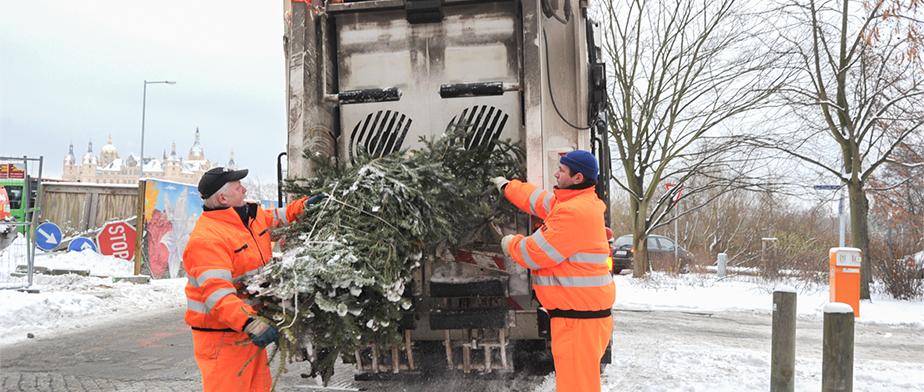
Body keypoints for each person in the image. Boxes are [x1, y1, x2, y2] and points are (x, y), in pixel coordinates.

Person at [183, 166, 316, 392]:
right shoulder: (208, 239)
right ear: (223, 198)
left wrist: (304, 206)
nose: (244, 190)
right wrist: (250, 322)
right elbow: (218, 294)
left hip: (248, 333)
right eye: (238, 187)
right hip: (223, 340)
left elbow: (277, 217)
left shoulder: (248, 218)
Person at [491, 150, 615, 392]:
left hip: (579, 322)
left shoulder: (574, 213)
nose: (556, 173)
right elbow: (536, 199)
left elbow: (534, 254)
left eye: (562, 170)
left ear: (577, 178)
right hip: (578, 318)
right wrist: (508, 187)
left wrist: (509, 243)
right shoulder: (572, 203)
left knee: (577, 388)